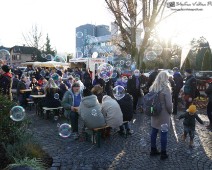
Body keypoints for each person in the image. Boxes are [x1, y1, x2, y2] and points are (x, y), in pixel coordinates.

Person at [149, 71, 173, 160]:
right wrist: (170, 112)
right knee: (164, 133)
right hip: (163, 114)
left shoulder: (152, 87)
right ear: (165, 78)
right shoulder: (166, 89)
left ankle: (153, 150)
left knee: (154, 131)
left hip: (154, 112)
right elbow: (169, 105)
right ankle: (163, 153)